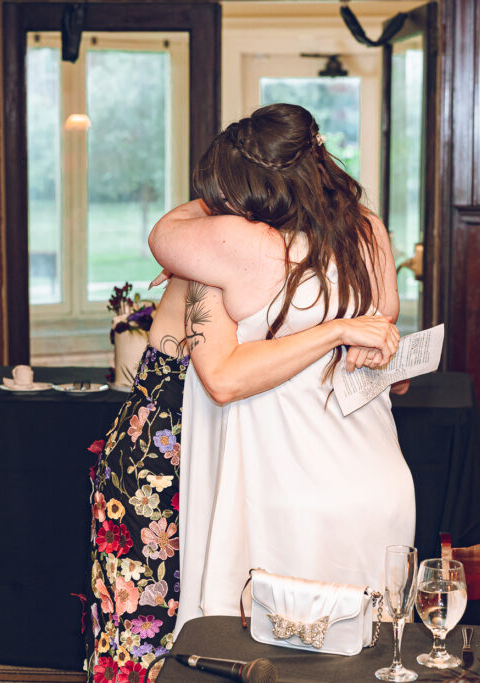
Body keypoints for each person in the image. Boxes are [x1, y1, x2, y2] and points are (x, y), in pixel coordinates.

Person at [148, 103, 417, 632]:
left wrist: (203, 233)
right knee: (365, 646)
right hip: (375, 480)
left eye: (231, 188)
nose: (224, 203)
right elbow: (385, 344)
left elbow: (165, 233)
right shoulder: (368, 232)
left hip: (286, 484)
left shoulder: (242, 243)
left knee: (271, 651)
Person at [84, 276, 399, 682]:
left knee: (220, 629)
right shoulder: (210, 253)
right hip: (161, 465)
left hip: (225, 457)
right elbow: (223, 380)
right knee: (144, 631)